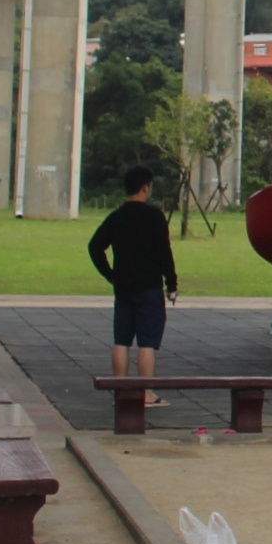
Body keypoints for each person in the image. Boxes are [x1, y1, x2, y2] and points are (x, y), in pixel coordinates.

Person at [87, 166, 179, 407]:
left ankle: (120, 390)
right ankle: (146, 393)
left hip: (123, 286)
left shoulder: (116, 217)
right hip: (149, 287)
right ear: (145, 187)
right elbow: (164, 253)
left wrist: (110, 274)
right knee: (147, 343)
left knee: (121, 340)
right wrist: (172, 283)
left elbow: (94, 247)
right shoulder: (154, 217)